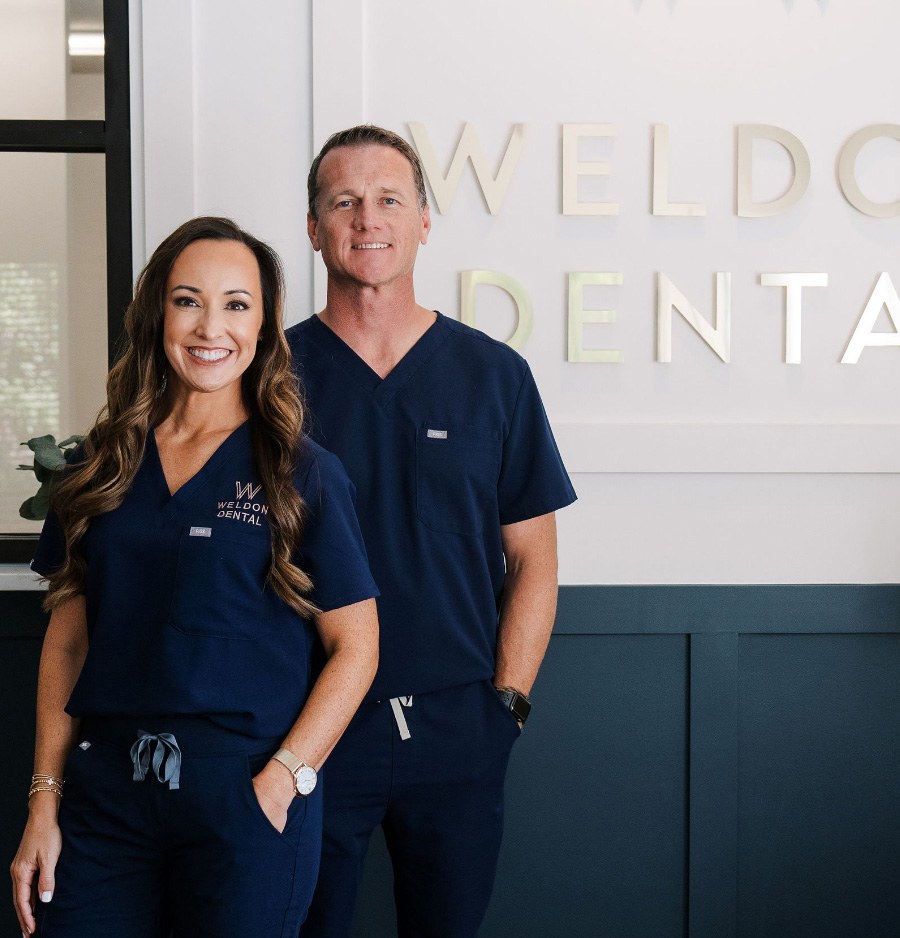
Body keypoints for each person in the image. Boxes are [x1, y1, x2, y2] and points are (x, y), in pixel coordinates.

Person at [10, 216, 380, 938]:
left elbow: (357, 647)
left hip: (241, 796)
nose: (212, 327)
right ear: (158, 314)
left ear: (265, 324)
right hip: (105, 796)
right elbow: (66, 645)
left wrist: (283, 783)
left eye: (237, 304)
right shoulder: (99, 464)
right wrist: (44, 799)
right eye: (189, 300)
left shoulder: (301, 472)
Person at [287, 126, 577, 938]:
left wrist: (505, 709)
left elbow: (534, 563)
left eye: (389, 199)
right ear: (314, 229)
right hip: (308, 725)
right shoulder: (269, 377)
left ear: (423, 222)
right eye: (343, 201)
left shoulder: (493, 376)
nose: (366, 219)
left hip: (456, 732)